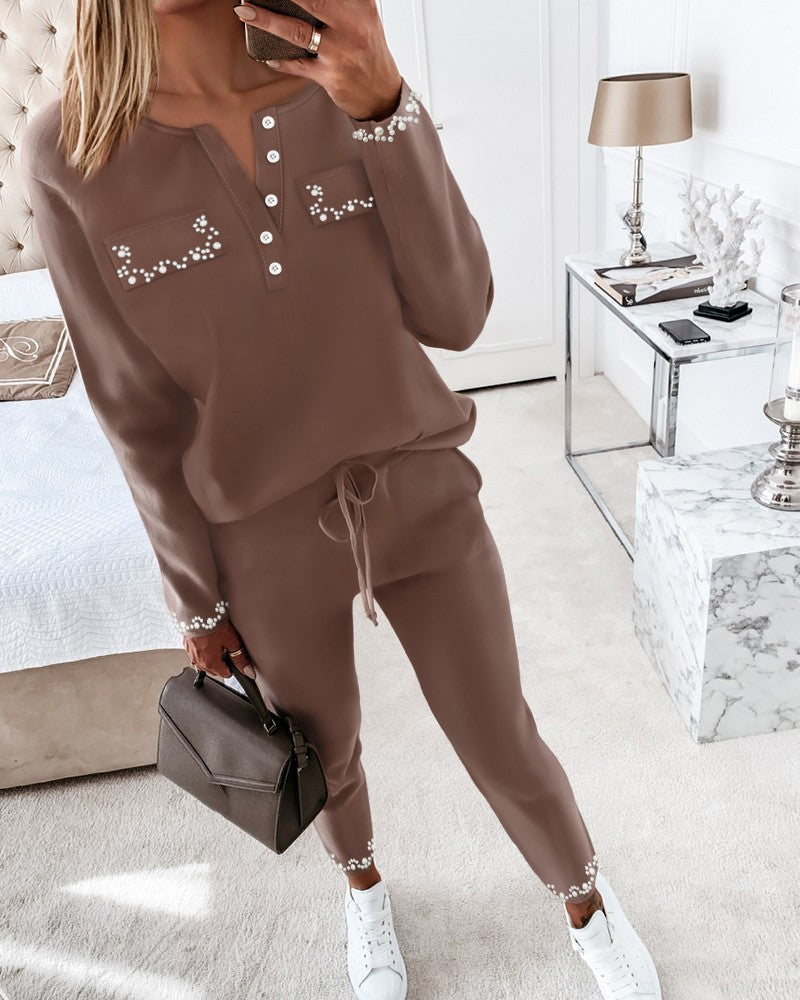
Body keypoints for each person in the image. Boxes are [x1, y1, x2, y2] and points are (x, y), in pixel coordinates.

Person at [20, 1, 662, 997]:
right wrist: (195, 597)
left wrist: (386, 108)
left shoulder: (338, 77)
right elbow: (132, 407)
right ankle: (362, 890)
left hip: (420, 486)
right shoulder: (69, 150)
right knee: (324, 750)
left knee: (500, 733)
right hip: (257, 533)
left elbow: (457, 312)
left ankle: (584, 899)